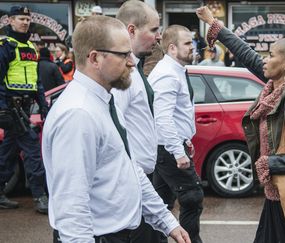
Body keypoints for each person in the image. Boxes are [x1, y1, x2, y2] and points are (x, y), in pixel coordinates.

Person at [41, 15, 190, 243]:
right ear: (95, 58)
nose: (132, 61)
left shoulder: (105, 101)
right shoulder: (78, 114)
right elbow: (72, 205)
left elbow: (129, 168)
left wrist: (165, 219)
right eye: (123, 54)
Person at [196, 6, 285, 243]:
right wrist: (215, 25)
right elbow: (247, 55)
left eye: (272, 56)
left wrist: (269, 163)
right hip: (276, 194)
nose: (265, 60)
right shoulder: (276, 89)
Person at [148, 25, 204, 243]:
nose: (193, 47)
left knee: (159, 203)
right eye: (188, 43)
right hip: (168, 149)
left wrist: (185, 140)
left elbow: (179, 113)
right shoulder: (167, 75)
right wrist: (178, 152)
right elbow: (162, 118)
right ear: (172, 48)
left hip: (168, 147)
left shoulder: (176, 70)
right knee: (192, 197)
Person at [112, 1, 162, 241]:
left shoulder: (135, 67)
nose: (158, 36)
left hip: (140, 179)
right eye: (153, 30)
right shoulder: (123, 73)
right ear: (131, 30)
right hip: (132, 181)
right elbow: (117, 130)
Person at [0, 5, 49, 214]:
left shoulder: (30, 46)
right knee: (32, 152)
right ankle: (40, 196)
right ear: (10, 20)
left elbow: (36, 82)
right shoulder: (5, 46)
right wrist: (3, 110)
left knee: (6, 155)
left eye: (27, 19)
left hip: (24, 109)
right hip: (10, 109)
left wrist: (44, 106)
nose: (25, 22)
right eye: (21, 19)